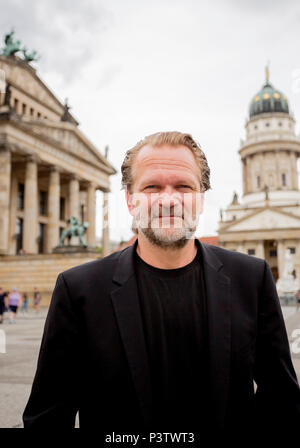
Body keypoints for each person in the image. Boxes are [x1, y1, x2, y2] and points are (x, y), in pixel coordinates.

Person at [23, 131, 300, 436]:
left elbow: (282, 400)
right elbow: (48, 417)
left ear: (201, 199)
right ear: (130, 200)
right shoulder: (79, 290)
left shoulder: (252, 279)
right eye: (152, 187)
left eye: (184, 186)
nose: (169, 199)